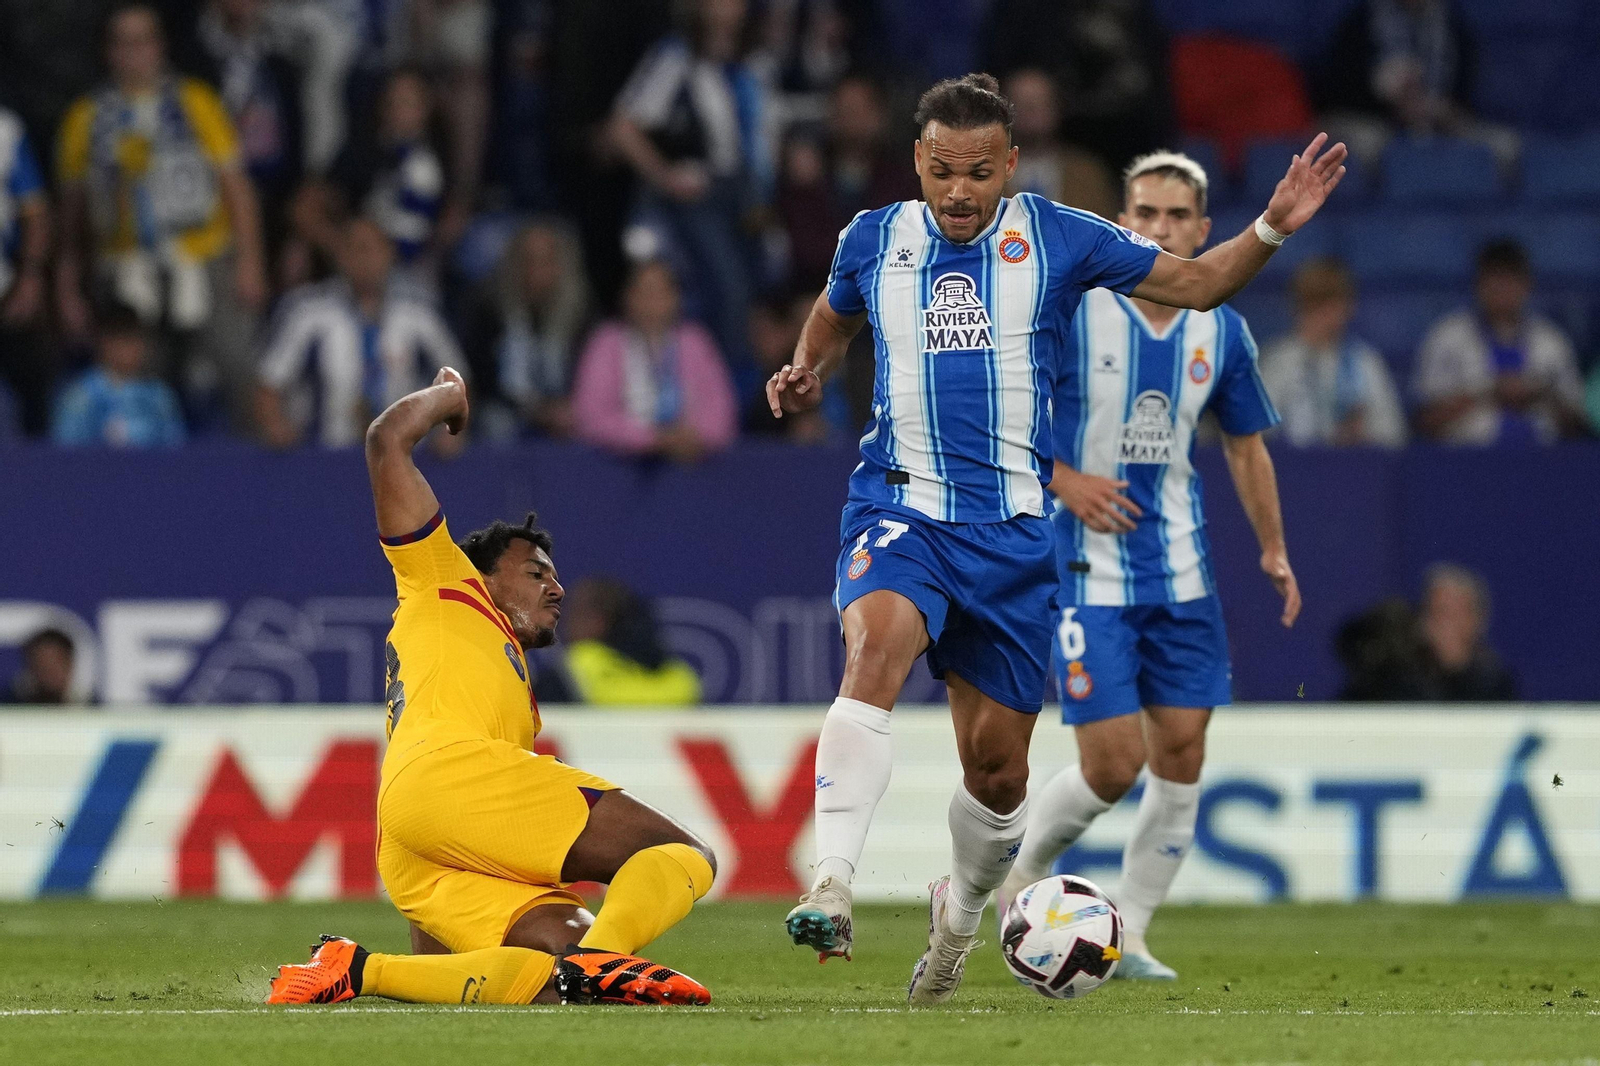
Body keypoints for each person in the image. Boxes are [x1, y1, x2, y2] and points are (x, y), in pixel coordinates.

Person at [767, 74, 1344, 1002]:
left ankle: (957, 926)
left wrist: (1272, 226)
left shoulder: (1061, 236)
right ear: (917, 161)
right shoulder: (873, 236)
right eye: (942, 172)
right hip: (902, 508)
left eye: (979, 173)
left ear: (1011, 165)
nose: (959, 193)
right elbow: (834, 315)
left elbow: (1198, 283)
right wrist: (805, 368)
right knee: (872, 649)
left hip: (1013, 540)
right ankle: (831, 884)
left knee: (998, 776)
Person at [266, 367, 716, 1007]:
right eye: (536, 573)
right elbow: (386, 440)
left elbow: (454, 858)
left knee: (556, 968)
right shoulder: (443, 580)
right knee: (683, 853)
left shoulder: (510, 689)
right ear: (484, 576)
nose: (556, 588)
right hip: (450, 776)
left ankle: (359, 969)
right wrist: (449, 396)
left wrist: (440, 967)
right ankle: (600, 963)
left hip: (410, 826)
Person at [996, 150, 1298, 981]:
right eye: (1145, 215)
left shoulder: (1221, 329)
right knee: (1111, 764)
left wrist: (1273, 546)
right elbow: (1004, 411)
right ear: (1123, 224)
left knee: (1184, 756)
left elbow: (1245, 446)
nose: (1159, 229)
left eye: (1176, 217)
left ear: (1202, 230)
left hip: (1182, 573)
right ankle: (1017, 876)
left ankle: (1130, 932)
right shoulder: (1077, 310)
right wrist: (1065, 480)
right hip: (1085, 570)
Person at [56, 3, 268, 432]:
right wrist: (67, 283)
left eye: (143, 40)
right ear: (108, 51)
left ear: (160, 46)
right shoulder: (86, 118)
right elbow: (72, 214)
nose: (134, 52)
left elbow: (236, 188)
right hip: (126, 265)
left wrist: (250, 262)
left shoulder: (196, 102)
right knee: (139, 375)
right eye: (123, 42)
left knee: (237, 363)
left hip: (203, 255)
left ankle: (258, 459)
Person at [607, 0, 770, 380]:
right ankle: (723, 389)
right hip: (702, 195)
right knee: (728, 291)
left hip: (750, 195)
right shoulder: (677, 57)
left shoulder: (756, 61)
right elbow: (623, 126)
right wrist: (664, 175)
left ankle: (753, 390)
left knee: (760, 291)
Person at [256, 218, 463, 448]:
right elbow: (269, 383)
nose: (363, 259)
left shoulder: (418, 313)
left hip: (405, 454)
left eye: (371, 249)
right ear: (341, 256)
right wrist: (277, 427)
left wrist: (451, 433)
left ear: (389, 254)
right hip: (327, 452)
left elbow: (456, 380)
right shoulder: (309, 313)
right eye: (354, 249)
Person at [1413, 239, 1588, 445]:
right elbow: (1424, 422)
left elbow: (1578, 426)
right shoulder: (1447, 337)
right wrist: (1489, 392)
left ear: (1527, 285)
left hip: (1544, 457)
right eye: (1495, 280)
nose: (1503, 290)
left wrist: (1540, 394)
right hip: (1466, 457)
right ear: (1478, 285)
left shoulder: (1551, 341)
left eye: (1510, 280)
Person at [570, 259, 737, 462]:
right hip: (621, 468)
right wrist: (653, 439)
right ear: (627, 297)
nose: (652, 302)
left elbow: (721, 413)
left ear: (676, 298)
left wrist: (693, 437)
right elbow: (591, 416)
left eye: (661, 292)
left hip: (691, 464)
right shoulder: (606, 342)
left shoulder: (695, 342)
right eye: (644, 292)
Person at [294, 68, 447, 270]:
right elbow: (315, 201)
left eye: (406, 102)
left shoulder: (425, 166)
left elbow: (408, 242)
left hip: (399, 267)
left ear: (426, 108)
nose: (396, 110)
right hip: (353, 251)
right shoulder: (366, 147)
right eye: (390, 101)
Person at [1260, 258, 1407, 448]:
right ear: (1298, 308)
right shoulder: (1279, 360)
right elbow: (1255, 429)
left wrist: (1362, 432)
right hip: (1291, 463)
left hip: (1351, 463)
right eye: (1315, 307)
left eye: (1334, 305)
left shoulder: (1364, 361)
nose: (1326, 315)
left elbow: (1393, 435)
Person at [466, 217, 590, 439]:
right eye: (527, 260)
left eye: (546, 261)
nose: (535, 270)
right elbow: (479, 377)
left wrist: (564, 407)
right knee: (496, 423)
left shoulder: (582, 312)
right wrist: (534, 410)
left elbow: (590, 375)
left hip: (563, 409)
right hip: (506, 407)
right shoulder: (488, 308)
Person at [53, 302, 187, 448]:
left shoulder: (159, 396)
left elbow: (176, 445)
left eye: (135, 339)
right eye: (122, 340)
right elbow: (66, 449)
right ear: (104, 343)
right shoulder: (81, 397)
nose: (130, 349)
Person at [561, 578, 703, 706]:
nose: (567, 623)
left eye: (577, 613)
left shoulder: (582, 658)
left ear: (600, 621)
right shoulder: (682, 676)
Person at [0, 101, 52, 435]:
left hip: (4, 287)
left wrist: (30, 277)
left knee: (29, 383)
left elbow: (35, 212)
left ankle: (36, 458)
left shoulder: (4, 130)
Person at [1003, 68, 1117, 219]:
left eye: (1040, 103)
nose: (1030, 111)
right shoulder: (984, 173)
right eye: (1020, 104)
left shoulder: (1088, 174)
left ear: (1058, 108)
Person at [1418, 563, 1517, 701]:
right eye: (1439, 612)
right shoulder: (1402, 677)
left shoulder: (1495, 681)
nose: (1447, 624)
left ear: (1477, 620)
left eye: (1456, 614)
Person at [2, 628, 77, 704]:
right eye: (43, 667)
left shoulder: (83, 704)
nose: (50, 673)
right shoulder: (9, 704)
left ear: (69, 663)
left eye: (55, 664)